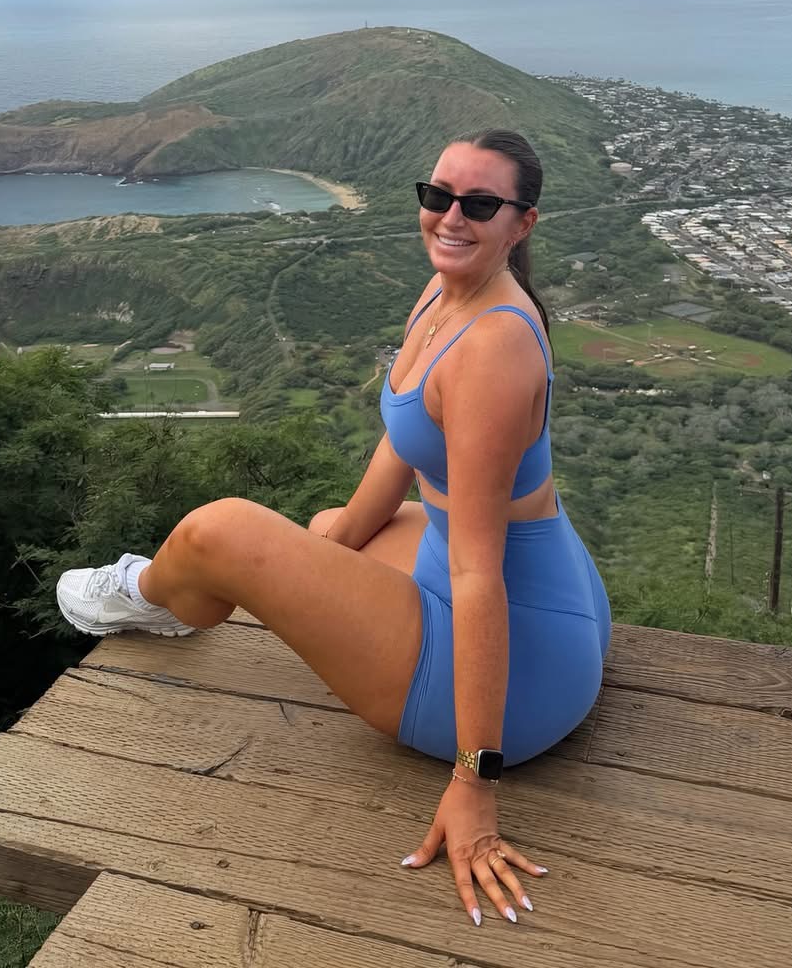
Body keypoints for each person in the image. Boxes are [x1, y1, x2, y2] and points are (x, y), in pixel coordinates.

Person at [56, 128, 611, 930]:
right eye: (438, 196)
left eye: (480, 204)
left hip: (525, 675)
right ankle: (200, 590)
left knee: (223, 530)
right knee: (323, 528)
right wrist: (323, 555)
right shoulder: (447, 293)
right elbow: (406, 445)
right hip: (554, 592)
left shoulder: (493, 347)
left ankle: (149, 594)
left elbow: (477, 576)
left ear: (522, 222)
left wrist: (473, 781)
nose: (451, 216)